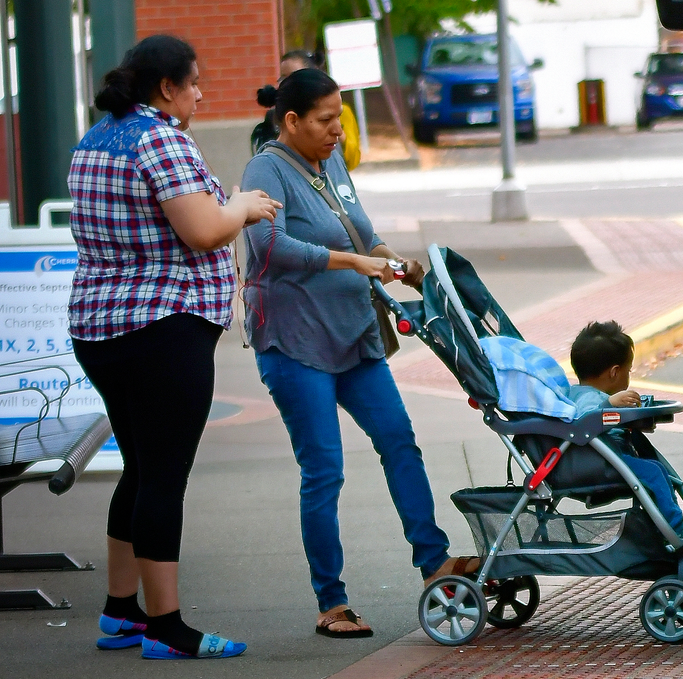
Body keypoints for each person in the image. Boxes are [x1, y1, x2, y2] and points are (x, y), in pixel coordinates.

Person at [68, 34, 283, 660]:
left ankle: (120, 611)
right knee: (163, 475)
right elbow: (201, 230)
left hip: (100, 326)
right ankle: (167, 627)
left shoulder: (97, 137)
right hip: (164, 326)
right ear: (167, 87)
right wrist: (241, 204)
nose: (199, 93)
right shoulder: (160, 137)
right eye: (194, 83)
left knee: (139, 465)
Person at [242, 68, 473, 639]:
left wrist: (401, 264)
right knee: (324, 471)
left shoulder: (332, 164)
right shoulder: (265, 170)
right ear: (291, 121)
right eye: (325, 120)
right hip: (296, 345)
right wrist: (353, 264)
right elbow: (268, 244)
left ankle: (433, 562)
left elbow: (362, 234)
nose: (337, 130)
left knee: (399, 440)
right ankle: (332, 601)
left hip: (353, 336)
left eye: (339, 118)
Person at [567, 321, 683, 534]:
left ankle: (661, 523)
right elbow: (586, 421)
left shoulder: (578, 392)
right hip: (601, 464)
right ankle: (676, 528)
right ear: (614, 372)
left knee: (655, 469)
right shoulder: (587, 398)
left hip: (606, 459)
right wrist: (609, 406)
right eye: (628, 370)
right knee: (653, 473)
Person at [252, 50, 360, 169]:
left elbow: (353, 159)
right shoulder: (274, 119)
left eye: (296, 76)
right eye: (283, 79)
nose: (289, 85)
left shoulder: (342, 114)